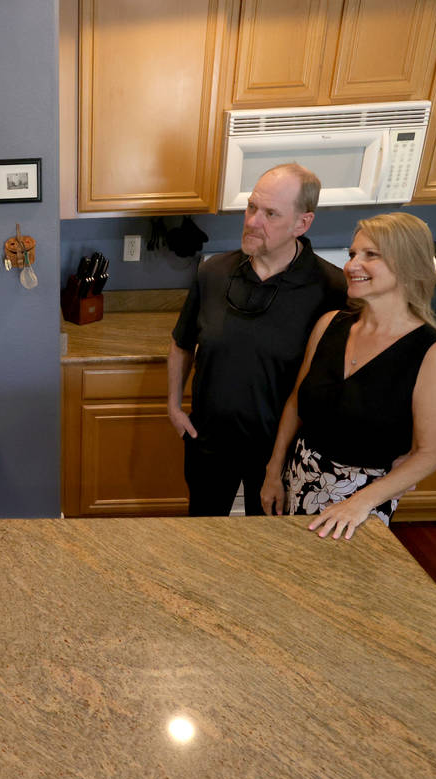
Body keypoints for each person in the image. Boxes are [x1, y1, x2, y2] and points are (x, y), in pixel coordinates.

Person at [260, 212, 436, 539]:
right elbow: (297, 401)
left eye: (371, 255)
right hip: (299, 476)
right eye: (352, 254)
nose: (352, 265)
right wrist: (273, 469)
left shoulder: (433, 354)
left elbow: (429, 453)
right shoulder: (330, 325)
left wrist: (359, 504)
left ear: (407, 265)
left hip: (364, 499)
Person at [168, 164, 348, 516]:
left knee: (266, 548)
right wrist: (174, 406)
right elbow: (181, 343)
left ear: (302, 223)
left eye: (270, 214)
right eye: (251, 207)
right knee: (202, 538)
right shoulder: (214, 272)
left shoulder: (331, 288)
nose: (252, 221)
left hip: (279, 453)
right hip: (209, 443)